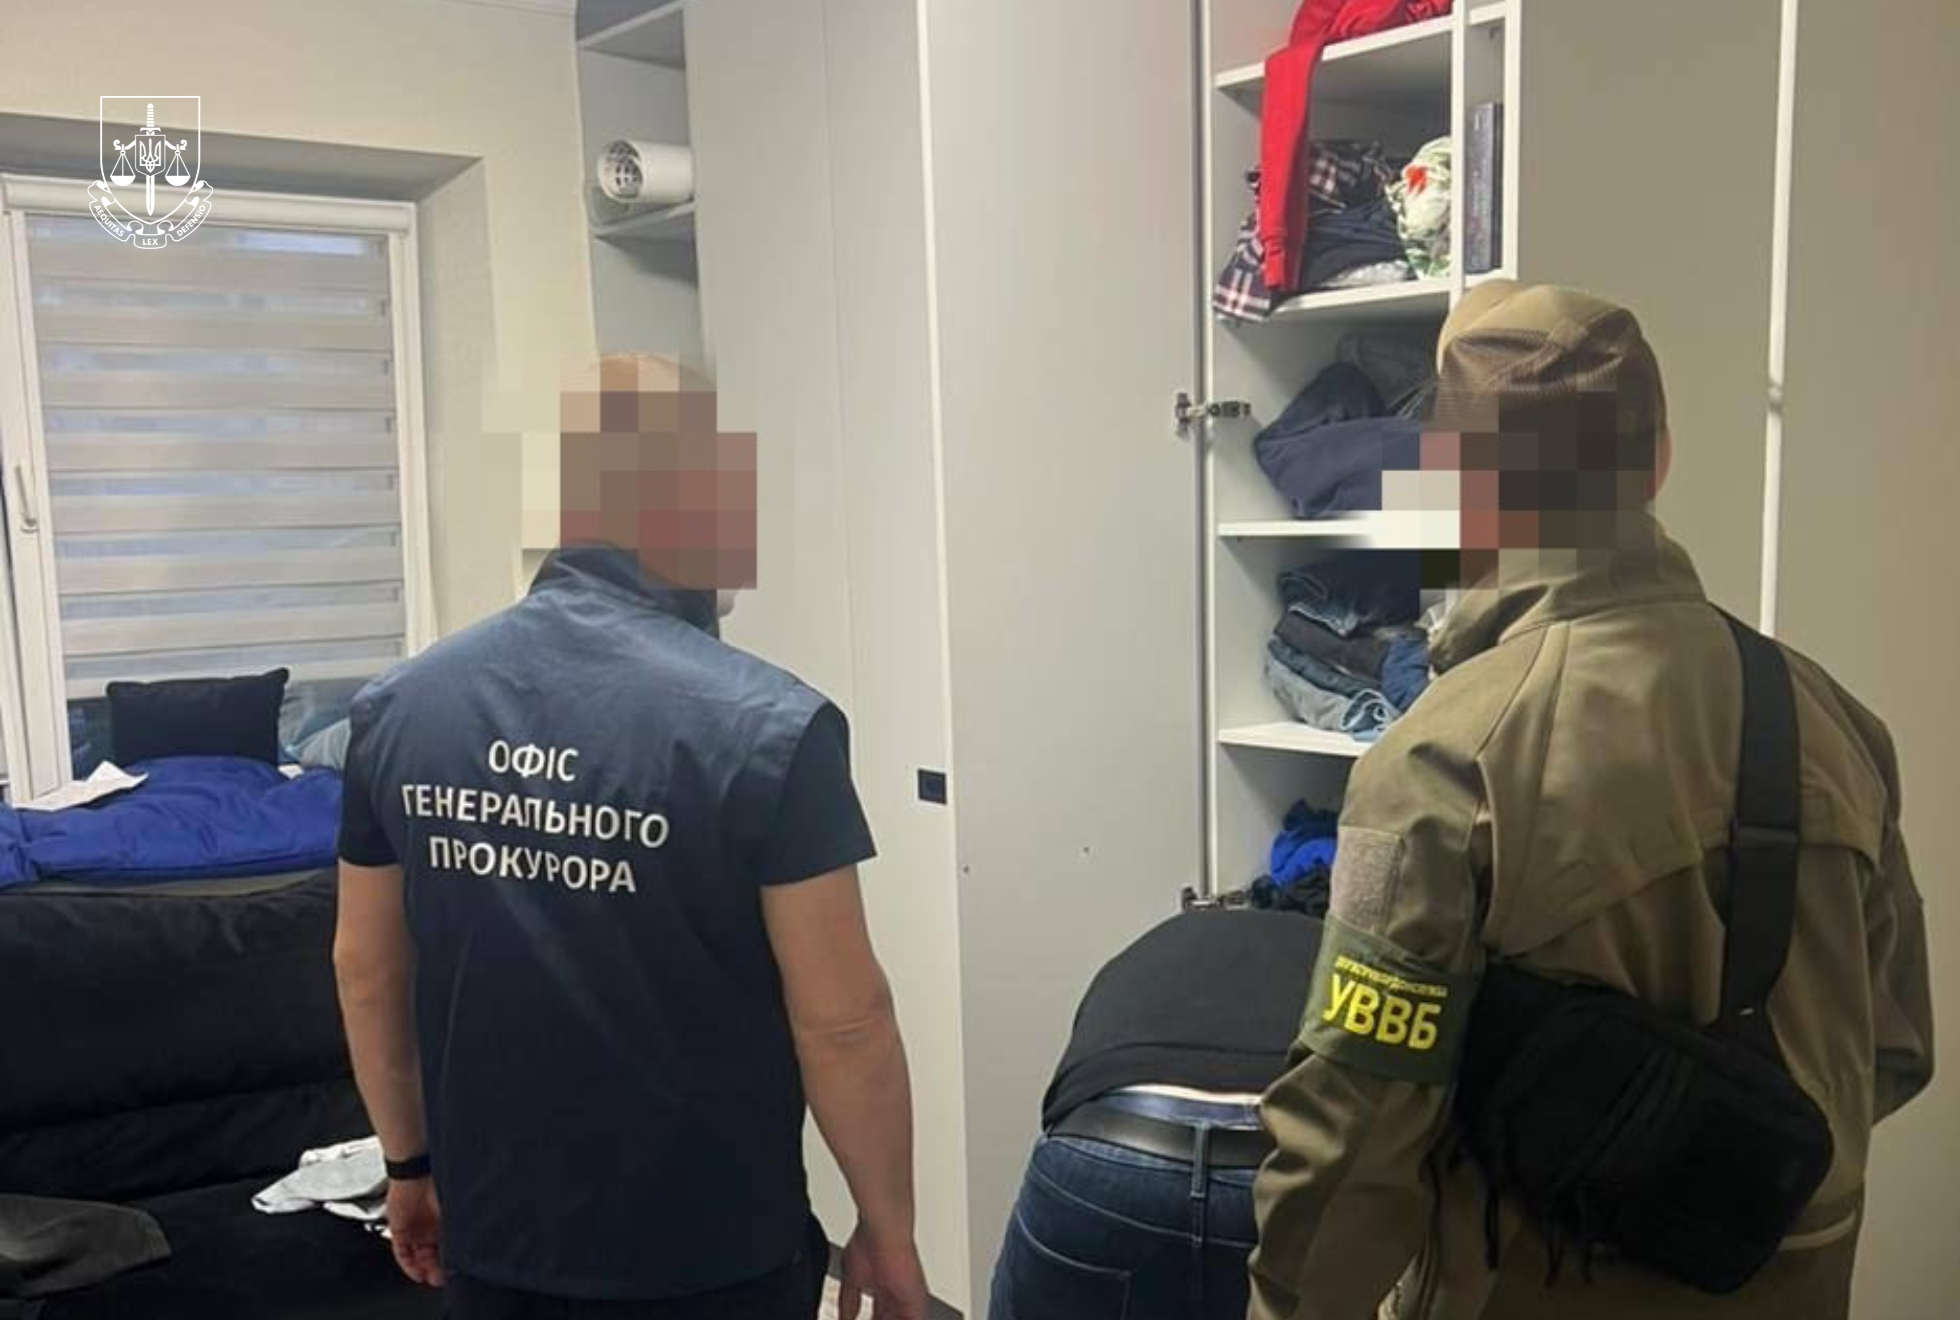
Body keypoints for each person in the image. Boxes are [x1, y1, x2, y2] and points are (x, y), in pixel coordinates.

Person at [1248, 283, 1934, 1320]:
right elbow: (1893, 1048)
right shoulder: (1835, 721)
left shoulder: (1443, 760)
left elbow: (1351, 1141)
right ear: (1658, 462)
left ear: (1452, 480)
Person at [331, 355, 929, 1320]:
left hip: (497, 1244)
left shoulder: (398, 710)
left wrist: (408, 1166)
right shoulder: (774, 730)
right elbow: (845, 1022)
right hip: (713, 1254)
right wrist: (888, 1226)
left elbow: (366, 969)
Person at [989, 906, 1326, 1320]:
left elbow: (1068, 1092)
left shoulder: (1163, 942)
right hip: (1266, 1163)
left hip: (1107, 1148)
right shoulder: (1339, 965)